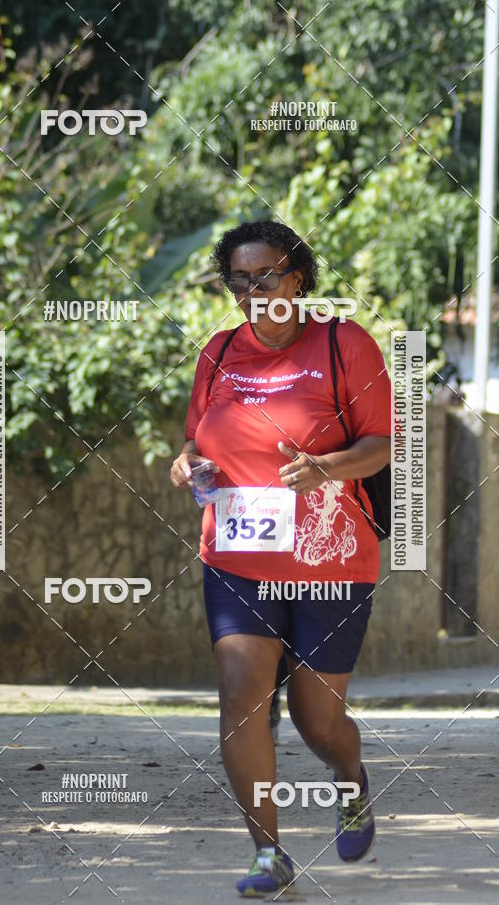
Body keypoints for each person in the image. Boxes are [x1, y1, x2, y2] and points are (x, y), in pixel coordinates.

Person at [170, 220, 392, 898]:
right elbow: (195, 441)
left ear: (297, 276)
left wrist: (325, 467)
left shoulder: (343, 343)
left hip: (329, 556)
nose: (251, 291)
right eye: (238, 279)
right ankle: (269, 854)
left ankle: (349, 776)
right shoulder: (217, 353)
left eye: (265, 276)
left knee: (313, 716)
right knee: (241, 697)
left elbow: (381, 443)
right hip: (237, 554)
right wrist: (186, 466)